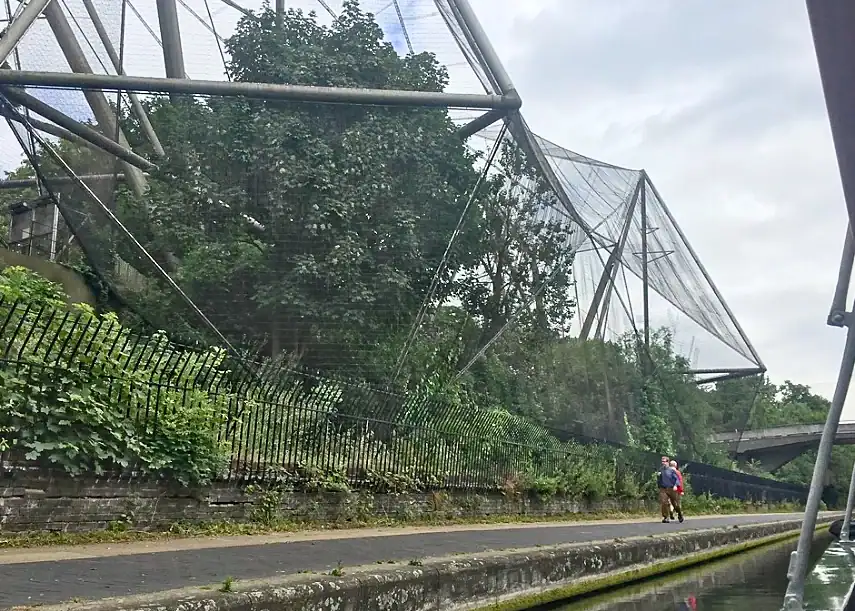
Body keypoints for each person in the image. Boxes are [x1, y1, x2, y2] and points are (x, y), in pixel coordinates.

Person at [657, 455, 683, 523]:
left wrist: (675, 485)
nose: (663, 463)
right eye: (662, 461)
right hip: (663, 488)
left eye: (664, 461)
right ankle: (666, 517)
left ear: (668, 462)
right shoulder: (661, 470)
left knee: (675, 504)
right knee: (664, 502)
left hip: (672, 489)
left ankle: (679, 513)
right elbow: (659, 479)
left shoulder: (671, 470)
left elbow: (676, 479)